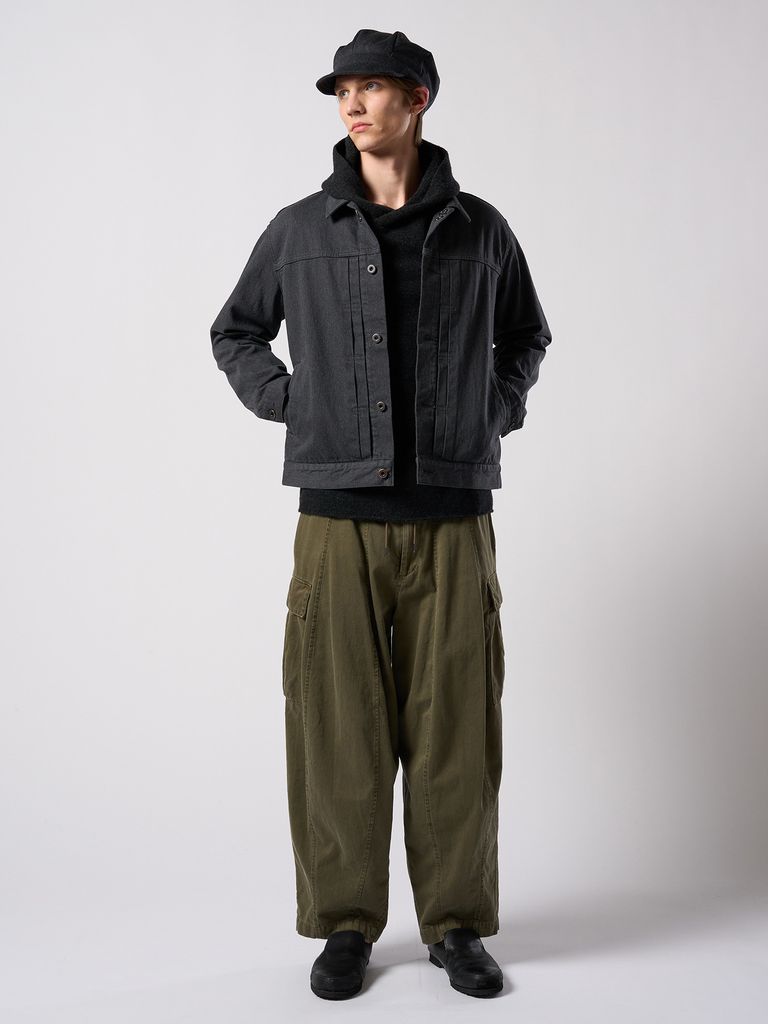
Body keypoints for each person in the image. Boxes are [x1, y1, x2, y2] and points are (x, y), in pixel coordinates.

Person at [210, 28, 552, 1001]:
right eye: (343, 92)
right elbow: (236, 331)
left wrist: (492, 409)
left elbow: (526, 336)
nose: (353, 105)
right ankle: (346, 924)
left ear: (418, 100)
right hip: (337, 521)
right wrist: (296, 406)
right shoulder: (300, 228)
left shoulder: (481, 229)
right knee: (335, 724)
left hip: (453, 514)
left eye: (371, 88)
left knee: (456, 727)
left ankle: (455, 924)